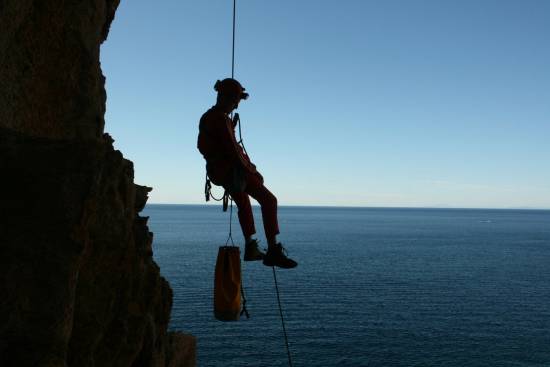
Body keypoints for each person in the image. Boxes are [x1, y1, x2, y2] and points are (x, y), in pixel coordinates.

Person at [197, 78, 297, 269]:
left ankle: (252, 245)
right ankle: (271, 250)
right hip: (232, 170)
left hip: (222, 171)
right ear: (226, 97)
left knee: (244, 201)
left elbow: (213, 145)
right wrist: (252, 170)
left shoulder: (211, 117)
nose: (237, 104)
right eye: (236, 100)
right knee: (269, 200)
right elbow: (233, 151)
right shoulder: (219, 119)